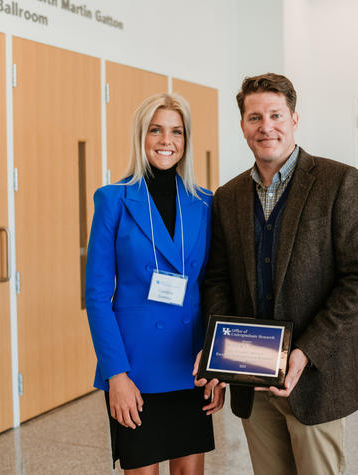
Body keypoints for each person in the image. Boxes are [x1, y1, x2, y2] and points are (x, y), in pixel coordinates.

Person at [195, 73, 358, 474]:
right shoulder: (227, 197)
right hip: (251, 381)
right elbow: (217, 280)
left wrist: (306, 352)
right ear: (242, 125)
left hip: (316, 376)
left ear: (294, 118)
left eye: (276, 115)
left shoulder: (338, 182)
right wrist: (220, 352)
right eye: (255, 117)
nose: (266, 127)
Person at [86, 93, 225, 474]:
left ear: (187, 139)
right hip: (135, 369)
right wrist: (116, 375)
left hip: (189, 364)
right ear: (141, 136)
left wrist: (217, 366)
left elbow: (215, 286)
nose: (167, 140)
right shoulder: (113, 199)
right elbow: (97, 296)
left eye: (177, 132)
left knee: (189, 472)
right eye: (156, 130)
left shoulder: (206, 202)